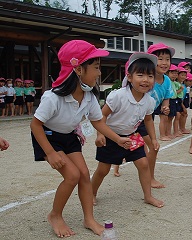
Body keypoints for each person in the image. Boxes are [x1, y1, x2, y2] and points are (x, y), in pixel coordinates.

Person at [30, 40, 126, 237]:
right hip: (48, 138)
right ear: (79, 69)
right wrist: (49, 152)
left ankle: (89, 219)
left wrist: (118, 139)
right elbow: (35, 125)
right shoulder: (52, 97)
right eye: (97, 67)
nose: (99, 73)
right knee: (72, 175)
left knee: (84, 174)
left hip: (69, 137)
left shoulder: (89, 96)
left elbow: (98, 122)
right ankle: (55, 215)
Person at [91, 52, 164, 208]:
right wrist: (100, 134)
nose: (146, 80)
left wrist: (154, 139)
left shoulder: (149, 101)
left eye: (150, 76)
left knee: (144, 164)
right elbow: (101, 117)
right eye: (140, 75)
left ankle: (148, 196)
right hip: (111, 137)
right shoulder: (117, 96)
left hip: (132, 137)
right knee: (103, 170)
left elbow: (149, 120)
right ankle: (92, 193)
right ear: (129, 77)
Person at [145, 42, 175, 188]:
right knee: (108, 160)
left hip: (146, 120)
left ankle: (150, 178)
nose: (164, 63)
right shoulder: (146, 78)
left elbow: (166, 97)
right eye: (160, 59)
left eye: (167, 59)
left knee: (153, 147)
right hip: (132, 119)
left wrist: (165, 107)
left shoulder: (167, 80)